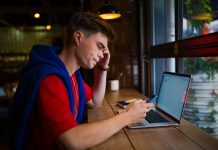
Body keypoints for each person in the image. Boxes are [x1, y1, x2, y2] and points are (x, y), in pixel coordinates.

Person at [9, 12, 154, 150]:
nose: (102, 54)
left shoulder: (72, 75)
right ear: (78, 38)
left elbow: (95, 102)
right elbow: (73, 141)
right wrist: (127, 117)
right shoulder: (51, 80)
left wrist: (103, 67)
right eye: (99, 46)